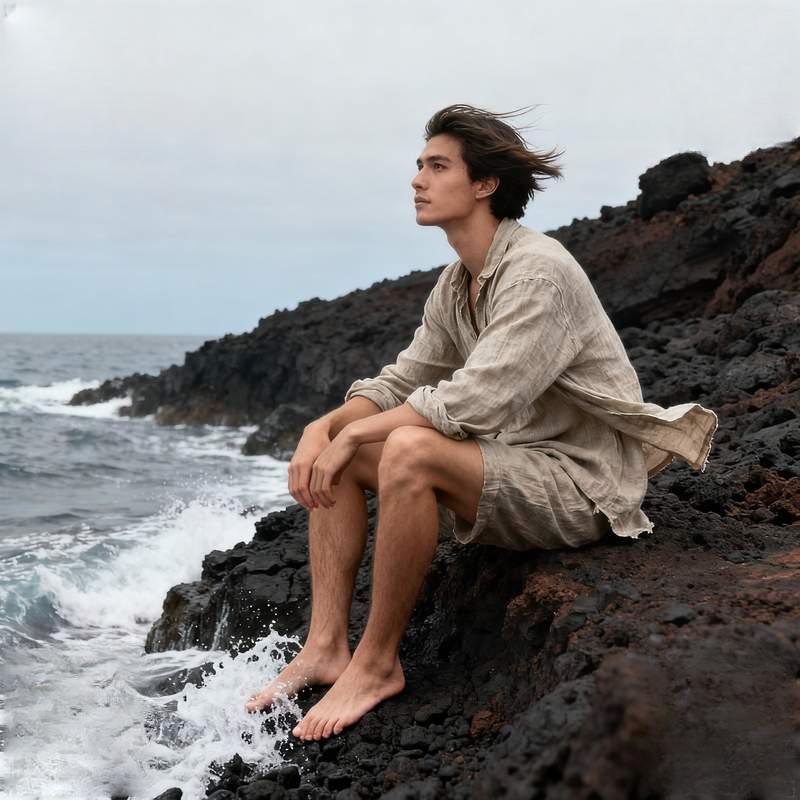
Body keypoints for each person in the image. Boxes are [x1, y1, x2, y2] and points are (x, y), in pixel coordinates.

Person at [245, 104, 717, 740]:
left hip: (582, 485)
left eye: (437, 167)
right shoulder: (455, 282)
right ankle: (327, 644)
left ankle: (378, 664)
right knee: (349, 438)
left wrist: (358, 433)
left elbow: (478, 400)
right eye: (419, 165)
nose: (418, 179)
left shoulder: (537, 270)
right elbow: (402, 381)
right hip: (516, 464)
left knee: (407, 447)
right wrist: (323, 429)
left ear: (485, 184)